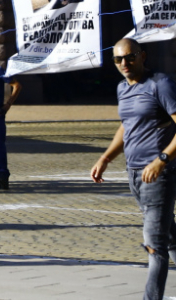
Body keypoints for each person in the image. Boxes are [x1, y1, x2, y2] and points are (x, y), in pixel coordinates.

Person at [92, 38, 176, 300]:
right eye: (118, 59)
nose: (124, 63)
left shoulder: (160, 84)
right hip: (134, 174)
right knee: (170, 238)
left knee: (155, 245)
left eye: (130, 57)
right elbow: (126, 126)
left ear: (143, 56)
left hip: (158, 175)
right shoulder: (122, 89)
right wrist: (106, 157)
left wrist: (161, 160)